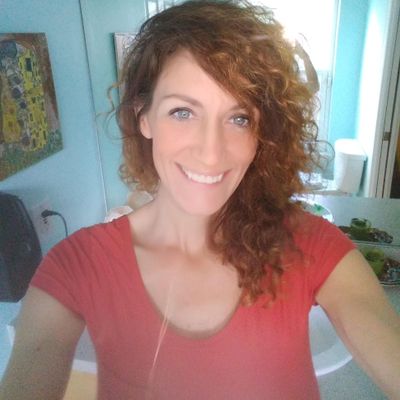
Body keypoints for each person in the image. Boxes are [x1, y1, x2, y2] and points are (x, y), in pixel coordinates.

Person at [1, 1, 400, 399]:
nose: (211, 153)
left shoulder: (311, 245)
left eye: (239, 118)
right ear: (144, 117)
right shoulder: (77, 267)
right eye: (183, 112)